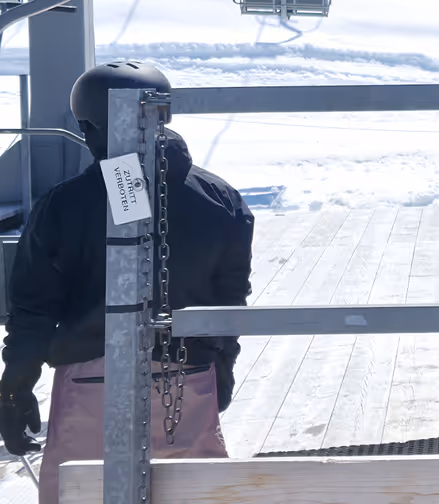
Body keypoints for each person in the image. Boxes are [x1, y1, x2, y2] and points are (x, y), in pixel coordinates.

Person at [1, 61, 253, 503]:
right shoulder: (223, 200)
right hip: (188, 376)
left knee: (84, 491)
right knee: (191, 492)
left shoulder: (64, 207)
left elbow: (33, 310)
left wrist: (16, 387)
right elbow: (229, 296)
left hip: (89, 379)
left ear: (89, 126)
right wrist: (223, 364)